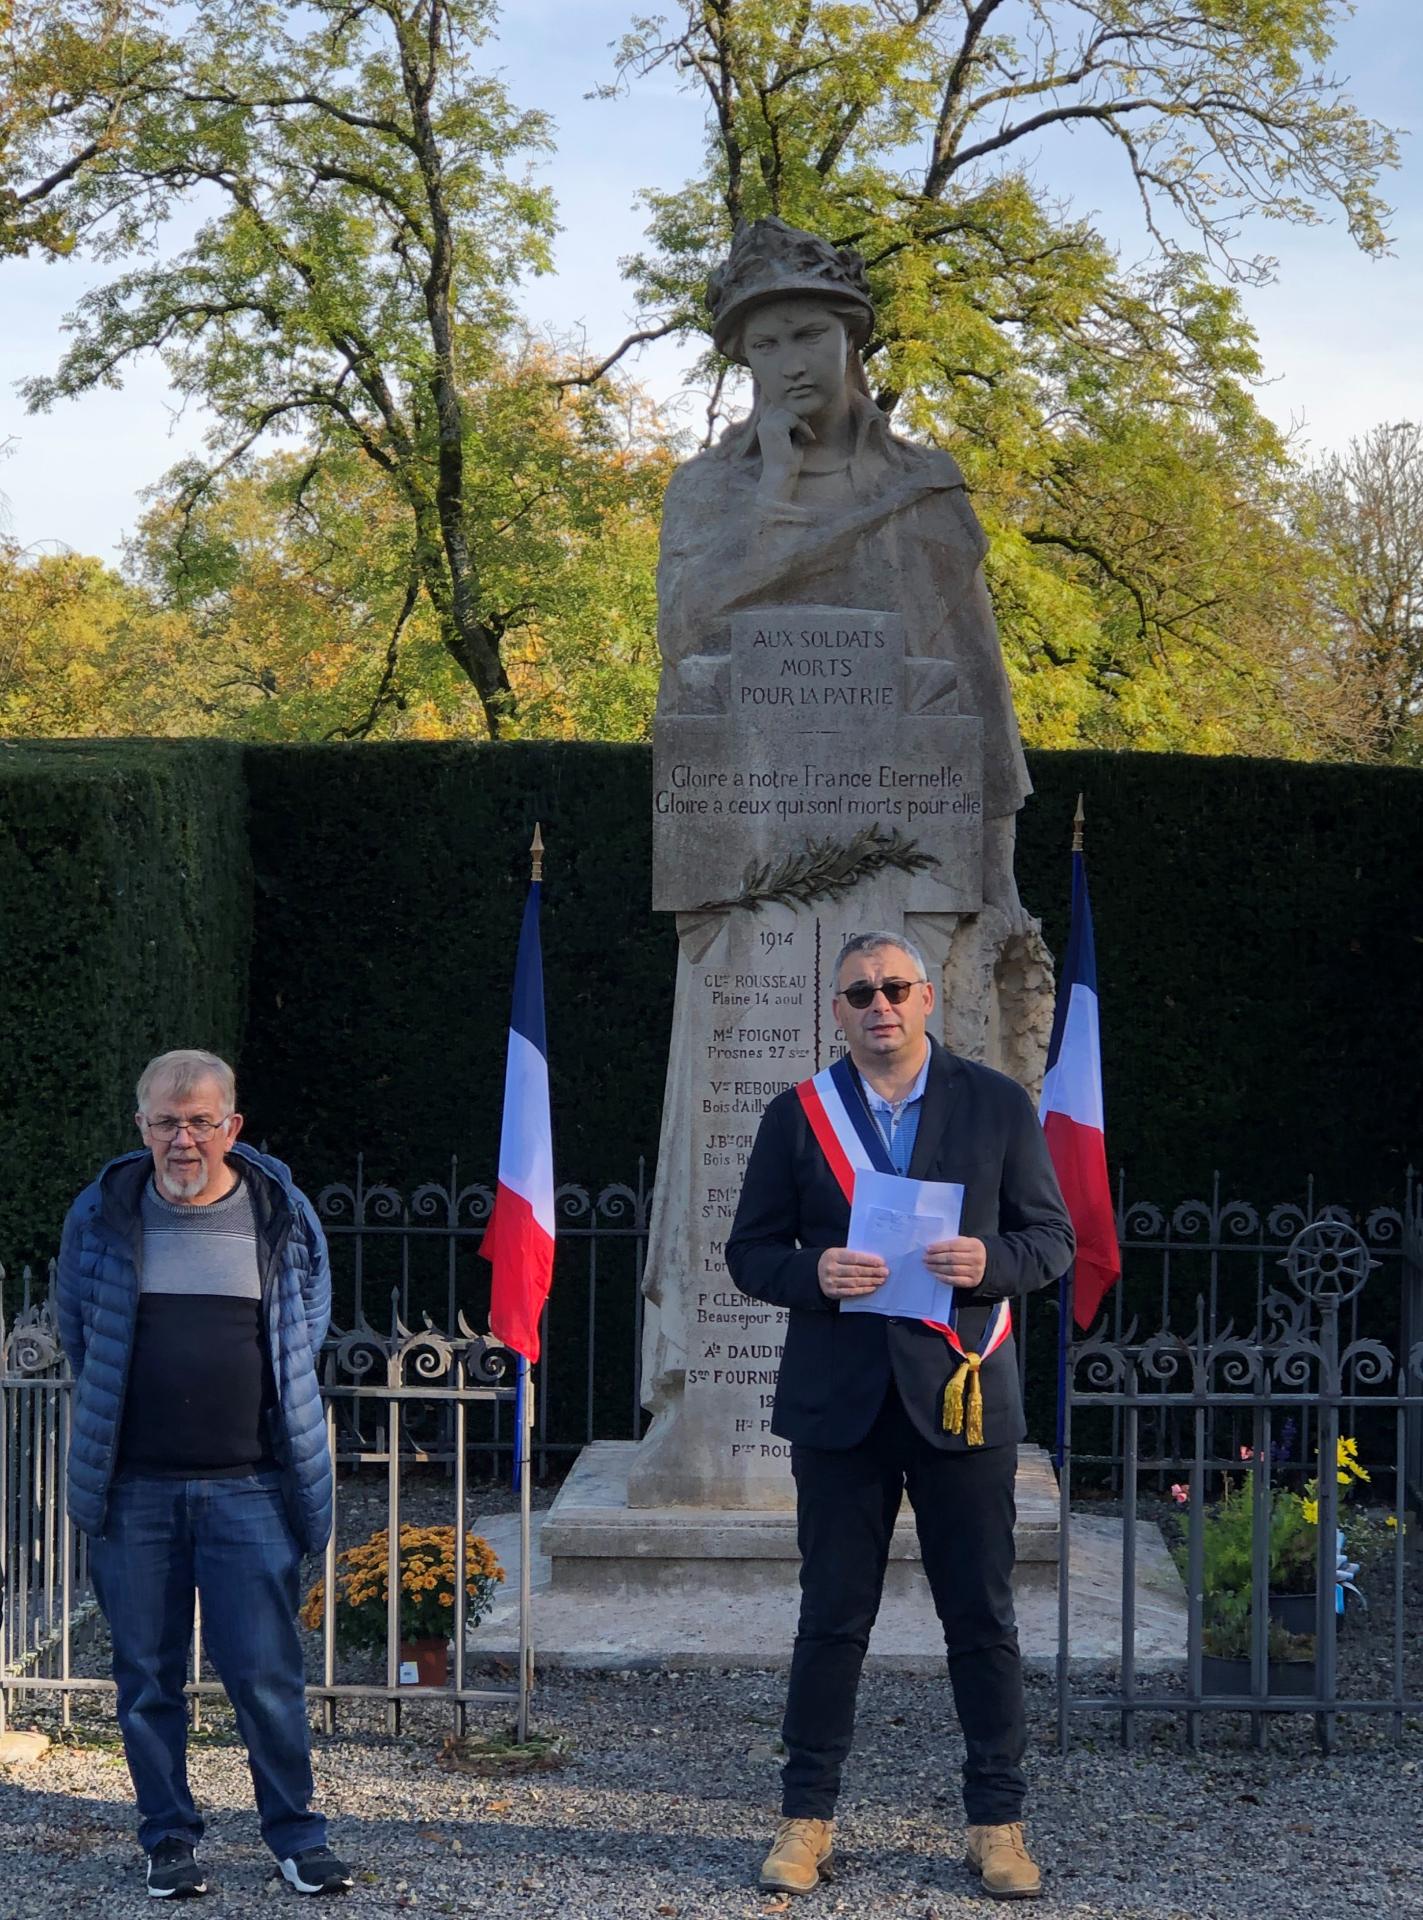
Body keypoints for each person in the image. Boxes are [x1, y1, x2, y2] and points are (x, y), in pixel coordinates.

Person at [726, 934, 1073, 1901]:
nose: (878, 1007)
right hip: (840, 1405)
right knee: (831, 1620)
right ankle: (805, 1821)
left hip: (961, 1395)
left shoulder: (996, 1104)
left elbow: (1050, 1239)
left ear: (928, 1000)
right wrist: (815, 1273)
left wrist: (988, 1264)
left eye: (893, 989)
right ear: (836, 1011)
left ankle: (996, 1824)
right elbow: (749, 1253)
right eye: (858, 994)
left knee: (981, 1618)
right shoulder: (797, 1117)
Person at [656, 216, 1032, 927]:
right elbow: (682, 636)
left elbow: (977, 682)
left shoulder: (921, 485)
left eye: (807, 336)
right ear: (744, 359)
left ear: (848, 339)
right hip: (753, 832)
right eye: (765, 345)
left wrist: (997, 869)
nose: (790, 363)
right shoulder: (706, 491)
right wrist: (772, 497)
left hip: (913, 848)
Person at [56, 1048, 352, 1899]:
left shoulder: (280, 1214)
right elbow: (81, 1331)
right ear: (140, 1126)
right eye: (165, 1122)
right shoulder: (102, 1213)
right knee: (146, 1678)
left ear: (233, 1127)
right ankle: (169, 1840)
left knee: (264, 1676)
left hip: (250, 1487)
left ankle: (296, 1837)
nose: (183, 1141)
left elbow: (306, 1328)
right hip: (133, 1490)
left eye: (200, 1122)